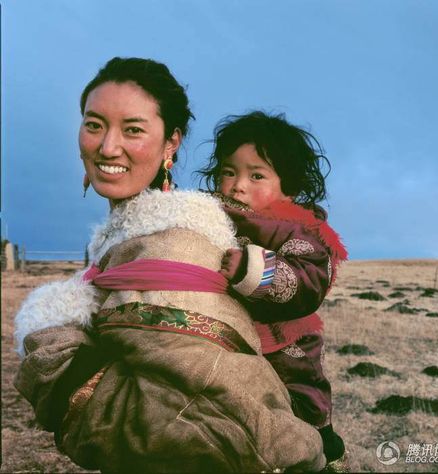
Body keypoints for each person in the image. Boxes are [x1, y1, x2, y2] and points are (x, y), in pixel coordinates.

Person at [13, 58, 327, 473]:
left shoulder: (177, 237)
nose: (108, 147)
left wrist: (67, 378)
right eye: (94, 124)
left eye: (133, 129)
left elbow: (202, 420)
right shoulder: (123, 236)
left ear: (171, 144)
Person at [198, 111, 349, 469]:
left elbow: (309, 279)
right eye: (228, 171)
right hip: (233, 337)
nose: (238, 185)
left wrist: (253, 269)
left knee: (299, 401)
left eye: (257, 175)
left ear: (289, 187)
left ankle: (320, 445)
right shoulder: (214, 216)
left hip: (286, 343)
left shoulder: (296, 229)